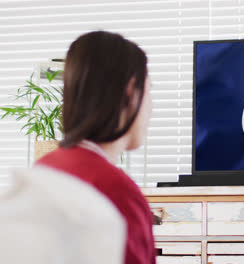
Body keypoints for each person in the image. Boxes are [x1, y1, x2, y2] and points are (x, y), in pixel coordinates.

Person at [36, 30, 155, 264]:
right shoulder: (117, 193)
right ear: (130, 93)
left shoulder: (42, 170)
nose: (152, 107)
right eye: (149, 90)